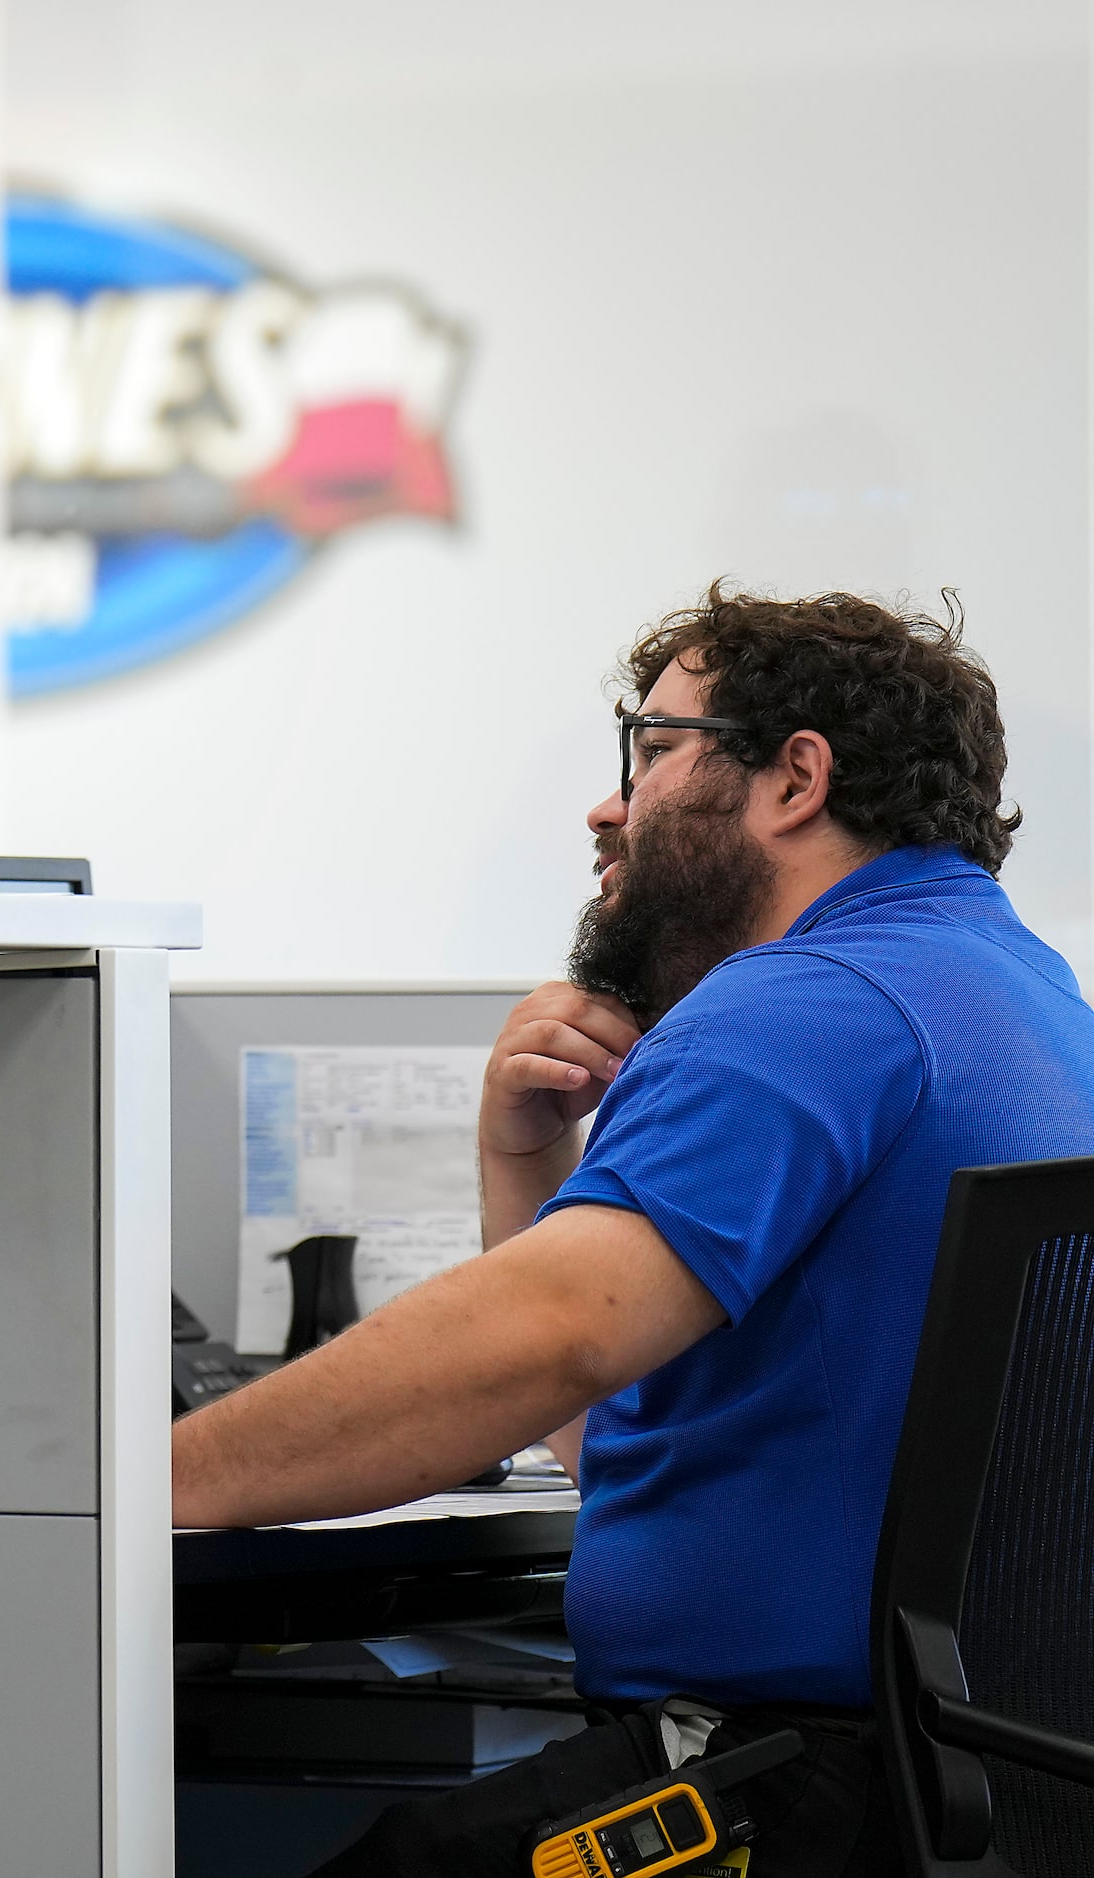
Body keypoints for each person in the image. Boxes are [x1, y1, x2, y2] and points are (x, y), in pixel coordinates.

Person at [175, 586, 1094, 1876]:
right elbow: (612, 1430)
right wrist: (527, 1158)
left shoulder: (813, 1003)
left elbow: (545, 1339)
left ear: (794, 780)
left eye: (653, 753)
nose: (608, 808)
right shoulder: (1011, 988)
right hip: (959, 1797)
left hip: (787, 1790)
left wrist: (136, 1484)